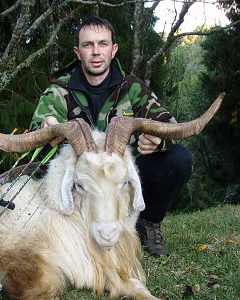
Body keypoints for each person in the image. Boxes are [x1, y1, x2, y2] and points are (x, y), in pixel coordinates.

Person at [30, 16, 192, 257]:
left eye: (103, 44)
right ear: (78, 51)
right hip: (83, 187)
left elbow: (169, 124)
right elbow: (38, 131)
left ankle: (148, 223)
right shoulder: (59, 90)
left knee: (178, 159)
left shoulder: (132, 88)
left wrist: (158, 139)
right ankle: (76, 231)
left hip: (121, 181)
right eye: (88, 45)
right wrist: (47, 128)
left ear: (114, 49)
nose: (96, 52)